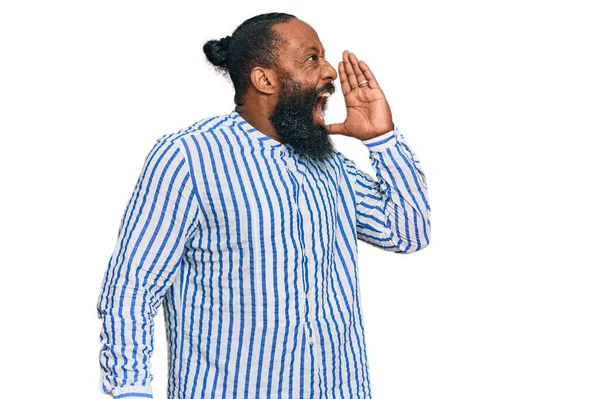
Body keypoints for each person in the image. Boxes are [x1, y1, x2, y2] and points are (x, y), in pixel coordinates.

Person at [96, 12, 431, 399]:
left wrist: (382, 140)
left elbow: (408, 233)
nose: (330, 72)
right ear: (264, 79)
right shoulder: (189, 157)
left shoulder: (330, 163)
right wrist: (131, 390)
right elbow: (132, 288)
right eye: (311, 58)